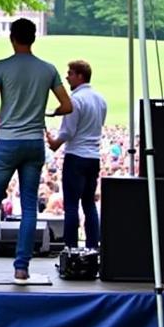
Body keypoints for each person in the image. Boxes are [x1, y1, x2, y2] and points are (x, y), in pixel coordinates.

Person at [0, 18, 72, 283]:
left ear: (12, 37)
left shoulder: (2, 67)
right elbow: (67, 106)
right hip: (34, 142)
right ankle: (22, 269)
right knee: (30, 206)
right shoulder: (48, 69)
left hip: (8, 141)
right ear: (33, 38)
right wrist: (49, 111)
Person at [45, 60, 108, 250]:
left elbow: (68, 131)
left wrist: (54, 142)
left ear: (80, 76)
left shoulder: (74, 100)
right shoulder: (100, 99)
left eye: (70, 73)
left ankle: (70, 249)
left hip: (76, 156)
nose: (67, 77)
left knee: (71, 205)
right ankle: (92, 248)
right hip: (93, 157)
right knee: (89, 204)